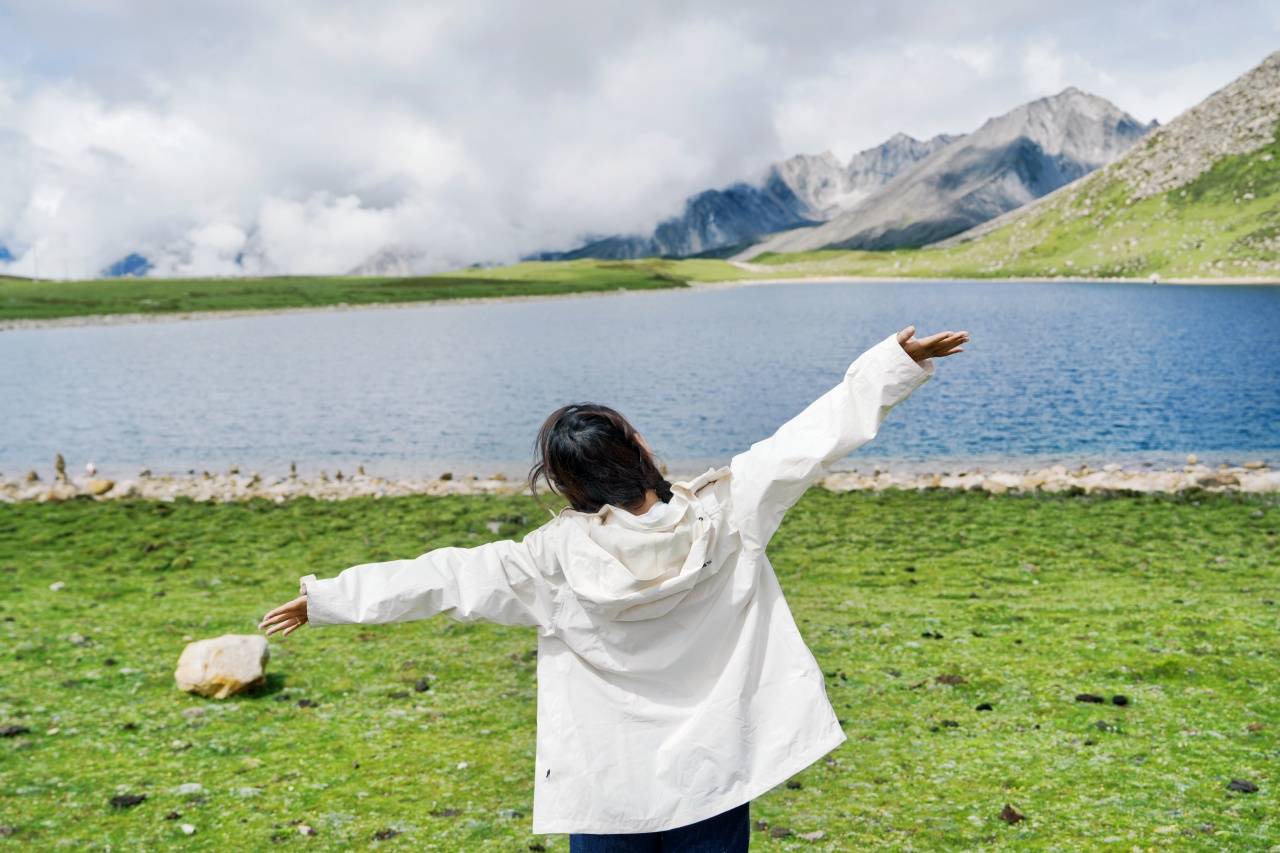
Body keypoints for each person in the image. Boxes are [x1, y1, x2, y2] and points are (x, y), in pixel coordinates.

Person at [259, 325, 968, 851]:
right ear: (637, 447)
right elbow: (807, 440)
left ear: (570, 486)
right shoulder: (729, 511)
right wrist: (892, 365)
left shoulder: (549, 561)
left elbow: (443, 578)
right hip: (714, 773)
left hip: (607, 790)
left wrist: (328, 598)